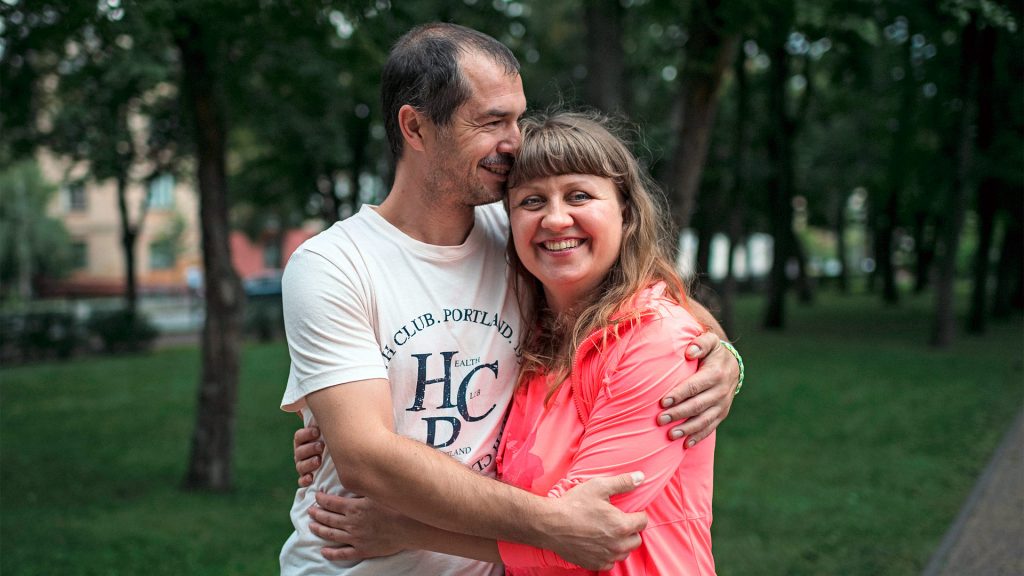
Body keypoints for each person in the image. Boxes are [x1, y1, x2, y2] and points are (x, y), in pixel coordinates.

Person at [280, 23, 741, 576]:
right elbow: (367, 459)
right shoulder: (333, 264)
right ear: (416, 127)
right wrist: (553, 524)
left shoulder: (520, 233)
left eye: (518, 118)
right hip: (355, 561)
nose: (516, 140)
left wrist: (724, 360)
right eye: (492, 121)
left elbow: (647, 302)